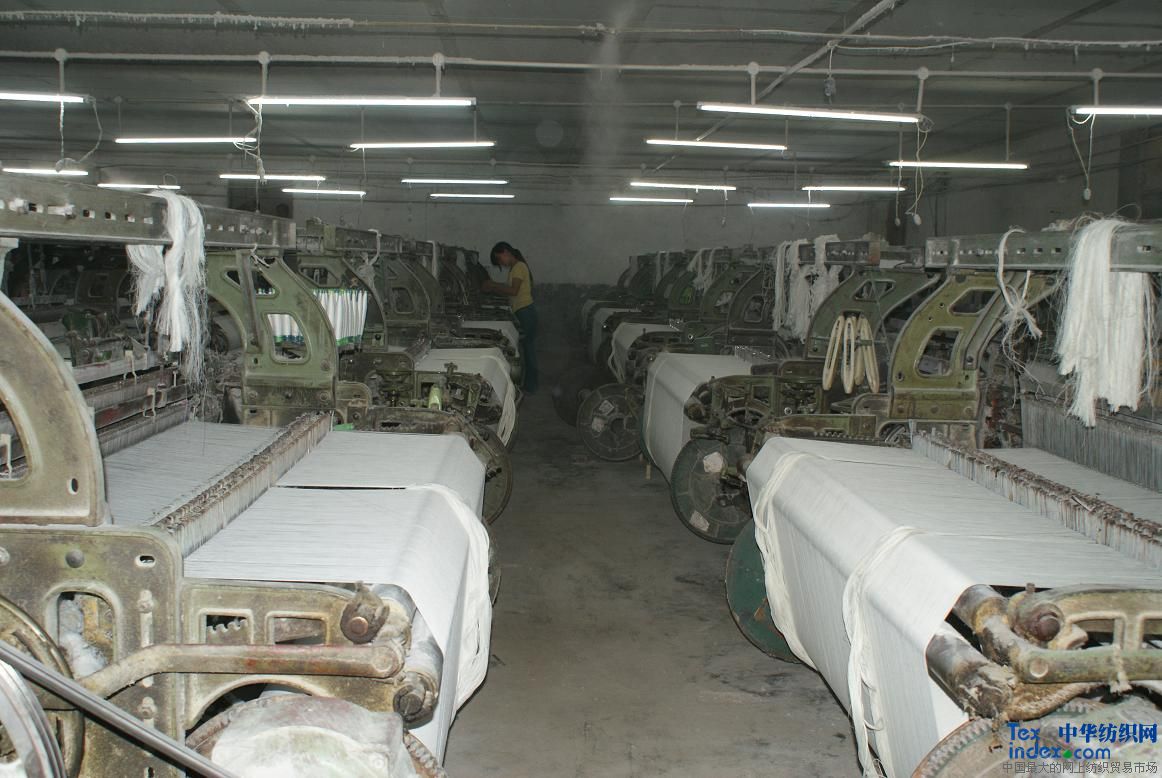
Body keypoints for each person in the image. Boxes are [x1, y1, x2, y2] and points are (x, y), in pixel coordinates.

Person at [484, 241, 538, 394]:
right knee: (527, 349)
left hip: (525, 312)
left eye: (499, 258)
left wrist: (493, 285)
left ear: (506, 252)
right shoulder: (516, 268)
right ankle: (529, 384)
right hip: (523, 311)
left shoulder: (519, 267)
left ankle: (531, 387)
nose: (501, 263)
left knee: (528, 350)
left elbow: (514, 291)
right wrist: (494, 288)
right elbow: (510, 291)